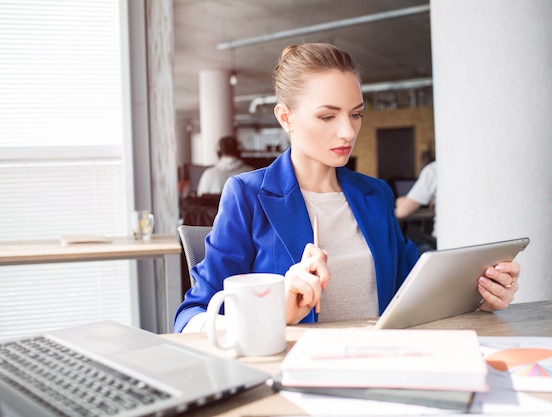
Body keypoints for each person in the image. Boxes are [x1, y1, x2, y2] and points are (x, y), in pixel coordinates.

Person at [173, 43, 520, 333]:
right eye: (328, 116)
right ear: (285, 117)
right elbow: (189, 318)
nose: (348, 132)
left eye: (355, 114)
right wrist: (271, 314)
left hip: (381, 368)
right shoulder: (247, 195)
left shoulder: (375, 195)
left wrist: (479, 295)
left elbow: (413, 292)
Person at [395, 160, 437, 251]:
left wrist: (400, 202)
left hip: (442, 242)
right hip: (472, 245)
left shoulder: (433, 169)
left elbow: (402, 212)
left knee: (409, 238)